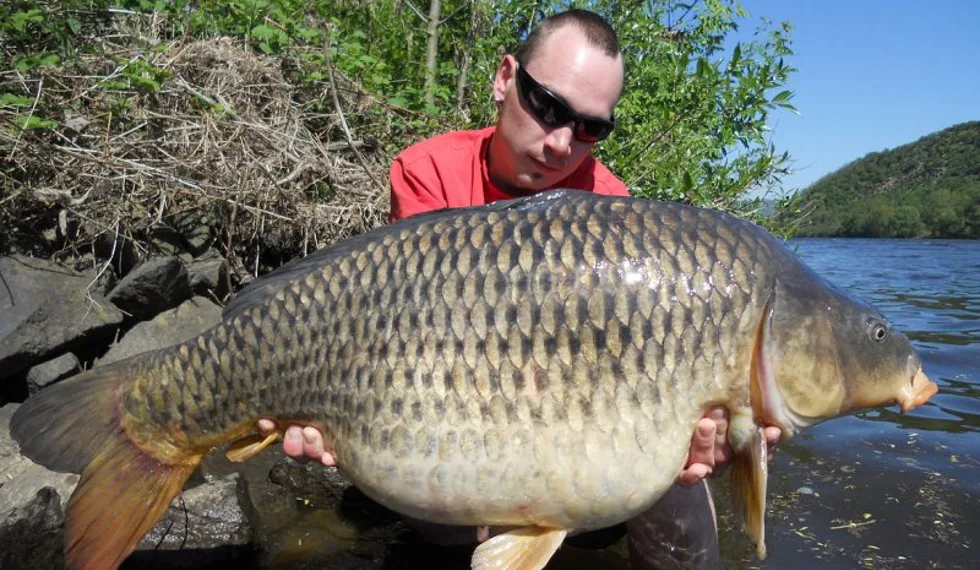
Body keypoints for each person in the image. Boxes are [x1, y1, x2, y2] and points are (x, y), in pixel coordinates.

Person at [259, 9, 780, 567]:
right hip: (457, 391)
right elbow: (408, 334)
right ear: (505, 77)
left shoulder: (613, 210)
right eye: (547, 106)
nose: (560, 142)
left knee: (674, 477)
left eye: (590, 129)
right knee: (436, 521)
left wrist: (695, 423)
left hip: (575, 406)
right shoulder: (427, 171)